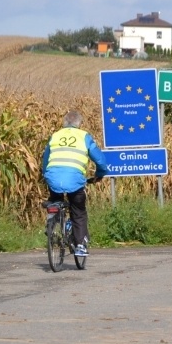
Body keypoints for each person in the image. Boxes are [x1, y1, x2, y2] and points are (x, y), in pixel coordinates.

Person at [42, 110, 108, 258]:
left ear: (64, 123)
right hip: (75, 181)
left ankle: (51, 222)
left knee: (55, 199)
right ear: (79, 124)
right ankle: (80, 246)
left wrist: (45, 175)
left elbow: (45, 160)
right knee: (78, 212)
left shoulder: (55, 135)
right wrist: (100, 175)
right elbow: (100, 161)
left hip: (53, 178)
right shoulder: (84, 136)